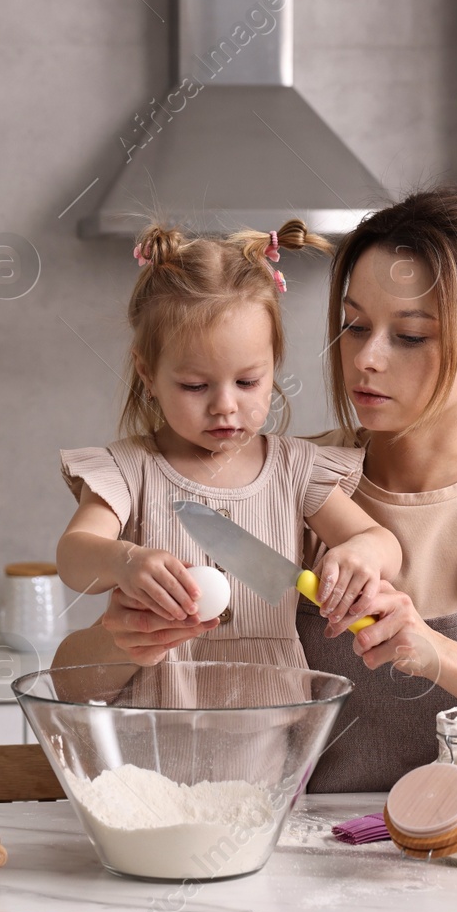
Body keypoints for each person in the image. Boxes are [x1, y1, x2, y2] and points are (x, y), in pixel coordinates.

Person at [58, 188, 457, 808]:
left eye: (409, 336)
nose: (366, 359)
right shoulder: (276, 478)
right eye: (353, 326)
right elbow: (73, 679)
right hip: (305, 854)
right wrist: (126, 637)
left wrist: (441, 657)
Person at [55, 219, 402, 673]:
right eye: (195, 386)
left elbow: (382, 542)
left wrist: (362, 555)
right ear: (148, 375)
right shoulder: (128, 470)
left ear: (273, 367)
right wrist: (125, 561)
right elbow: (73, 557)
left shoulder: (295, 471)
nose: (225, 406)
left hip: (272, 730)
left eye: (247, 381)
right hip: (162, 731)